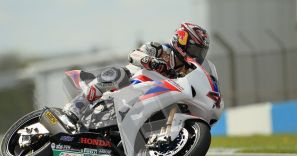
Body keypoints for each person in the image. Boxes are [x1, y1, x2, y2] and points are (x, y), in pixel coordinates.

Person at [64, 22, 210, 125]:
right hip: (130, 84)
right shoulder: (160, 49)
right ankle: (74, 109)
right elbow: (134, 55)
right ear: (182, 40)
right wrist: (150, 61)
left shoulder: (187, 70)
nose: (197, 55)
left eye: (201, 52)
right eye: (196, 49)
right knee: (117, 73)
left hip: (153, 97)